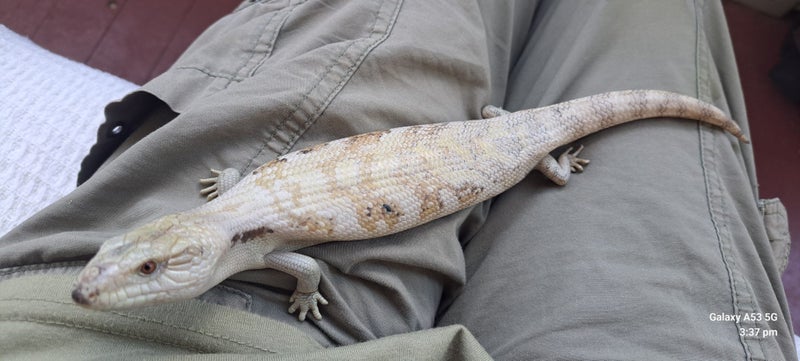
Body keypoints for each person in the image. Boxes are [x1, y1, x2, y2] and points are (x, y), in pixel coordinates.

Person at [0, 1, 795, 359]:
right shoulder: (238, 223)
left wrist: (553, 161)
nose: (110, 278)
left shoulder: (249, 238)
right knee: (650, 17)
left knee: (608, 79)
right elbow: (285, 244)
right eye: (142, 265)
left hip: (508, 145)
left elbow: (303, 264)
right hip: (491, 131)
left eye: (143, 262)